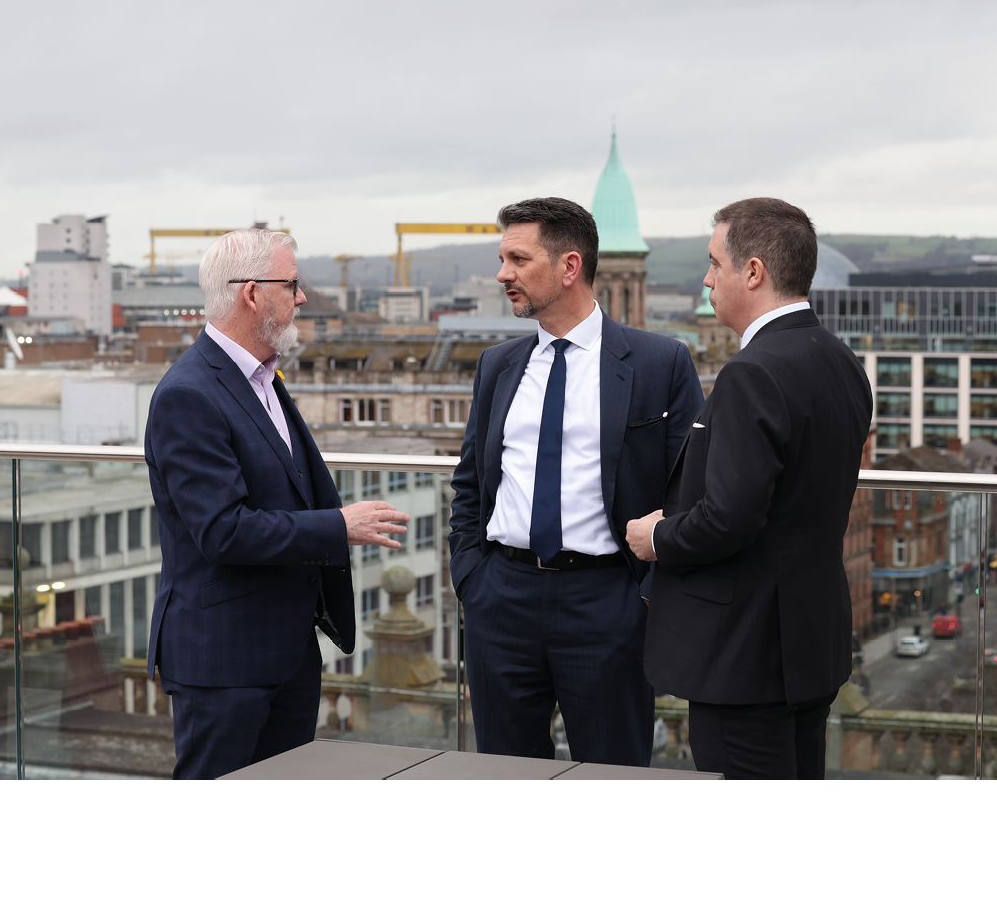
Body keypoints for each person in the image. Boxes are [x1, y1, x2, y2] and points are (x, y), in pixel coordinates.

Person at [145, 228, 409, 779]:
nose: (302, 296)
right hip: (224, 662)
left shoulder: (263, 379)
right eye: (291, 284)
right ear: (251, 294)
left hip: (284, 653)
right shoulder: (189, 393)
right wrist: (338, 526)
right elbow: (222, 531)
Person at [449, 197, 704, 765]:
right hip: (501, 600)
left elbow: (687, 490)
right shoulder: (498, 364)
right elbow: (470, 483)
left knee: (611, 777)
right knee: (503, 774)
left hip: (608, 602)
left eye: (518, 258)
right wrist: (472, 577)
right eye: (502, 258)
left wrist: (641, 597)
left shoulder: (660, 362)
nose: (502, 274)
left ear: (569, 266)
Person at [626, 198, 872, 779]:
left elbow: (729, 519)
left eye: (714, 263)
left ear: (754, 272)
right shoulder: (842, 362)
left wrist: (656, 536)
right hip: (810, 643)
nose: (706, 279)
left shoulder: (753, 372)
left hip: (746, 656)